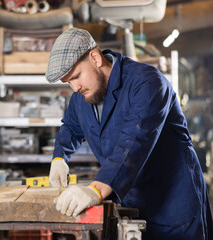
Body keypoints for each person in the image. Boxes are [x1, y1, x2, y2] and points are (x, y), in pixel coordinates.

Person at [46, 27, 213, 239]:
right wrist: (59, 157)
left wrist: (95, 190)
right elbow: (71, 127)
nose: (74, 87)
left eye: (76, 76)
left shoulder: (146, 82)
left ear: (95, 58)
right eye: (67, 82)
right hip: (132, 202)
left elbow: (135, 141)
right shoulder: (83, 96)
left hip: (174, 204)